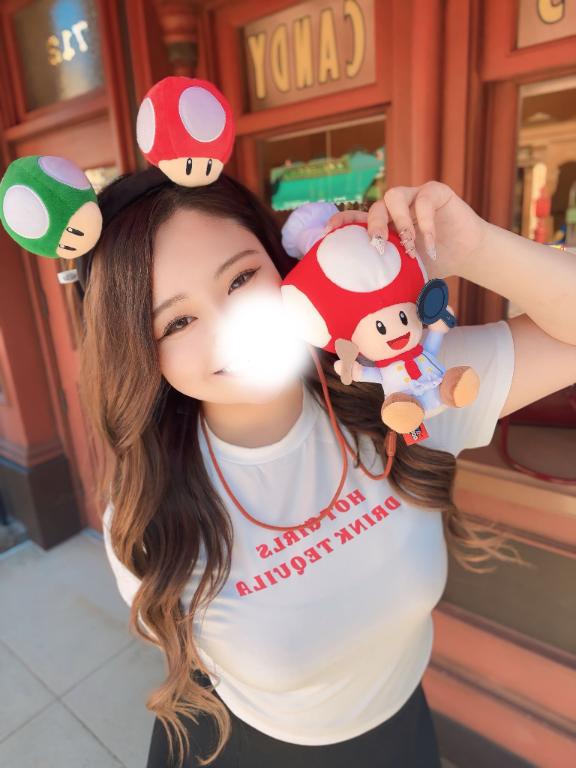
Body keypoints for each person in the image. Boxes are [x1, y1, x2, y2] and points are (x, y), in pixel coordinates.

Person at [80, 172, 576, 768]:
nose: (228, 329)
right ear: (144, 353)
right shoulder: (147, 511)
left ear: (284, 266)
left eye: (241, 279)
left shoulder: (403, 396)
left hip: (401, 731)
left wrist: (473, 248)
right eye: (177, 323)